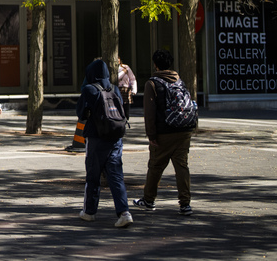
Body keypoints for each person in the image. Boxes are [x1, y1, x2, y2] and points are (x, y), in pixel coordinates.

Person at [134, 50, 196, 216]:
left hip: (164, 132)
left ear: (155, 64)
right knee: (182, 167)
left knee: (156, 166)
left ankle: (149, 199)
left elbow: (149, 112)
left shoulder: (152, 83)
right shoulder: (179, 81)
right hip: (184, 131)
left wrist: (151, 135)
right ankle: (185, 204)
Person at [77, 58, 133, 228]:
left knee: (93, 176)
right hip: (115, 138)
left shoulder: (89, 89)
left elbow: (81, 114)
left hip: (96, 138)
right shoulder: (114, 88)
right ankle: (124, 212)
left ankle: (89, 212)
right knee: (116, 176)